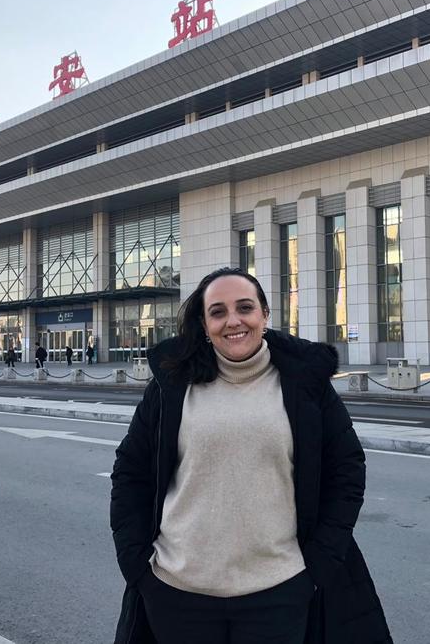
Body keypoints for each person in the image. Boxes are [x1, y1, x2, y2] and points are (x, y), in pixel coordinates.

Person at [110, 267, 391, 644]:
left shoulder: (304, 385)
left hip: (278, 590)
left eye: (244, 307)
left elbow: (347, 472)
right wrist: (138, 566)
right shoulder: (172, 385)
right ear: (204, 323)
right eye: (218, 311)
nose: (233, 321)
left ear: (264, 315)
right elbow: (130, 474)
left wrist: (318, 566)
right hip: (177, 591)